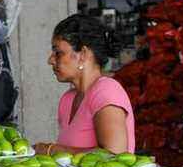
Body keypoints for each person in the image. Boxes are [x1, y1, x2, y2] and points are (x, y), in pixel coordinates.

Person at [34, 14, 135, 155]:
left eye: (58, 53)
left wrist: (51, 150)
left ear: (82, 54)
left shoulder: (106, 91)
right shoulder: (67, 100)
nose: (50, 60)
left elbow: (114, 155)